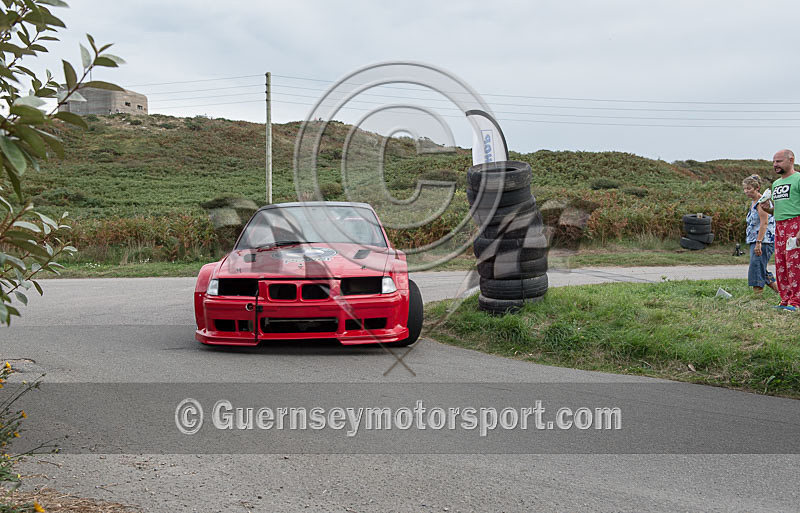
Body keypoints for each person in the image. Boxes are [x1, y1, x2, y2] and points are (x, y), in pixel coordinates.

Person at [763, 149, 800, 310]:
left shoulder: (798, 179)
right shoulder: (776, 183)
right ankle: (785, 299)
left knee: (795, 264)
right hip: (780, 225)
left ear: (790, 160)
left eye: (778, 161)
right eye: (773, 162)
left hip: (795, 224)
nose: (775, 165)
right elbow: (778, 210)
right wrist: (768, 209)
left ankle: (796, 302)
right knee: (782, 264)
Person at [742, 174, 778, 295]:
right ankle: (781, 292)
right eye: (745, 189)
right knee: (760, 267)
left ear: (757, 188)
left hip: (764, 240)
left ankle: (757, 297)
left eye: (749, 188)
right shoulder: (754, 202)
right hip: (755, 239)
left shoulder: (762, 202)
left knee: (756, 267)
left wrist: (759, 242)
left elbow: (764, 223)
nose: (746, 191)